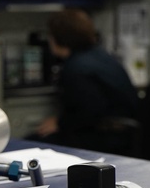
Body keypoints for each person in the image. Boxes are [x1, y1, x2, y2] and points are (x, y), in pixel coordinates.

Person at [32, 8, 140, 155]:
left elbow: (89, 111)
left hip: (103, 139)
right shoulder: (103, 56)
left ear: (57, 38)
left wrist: (60, 123)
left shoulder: (75, 68)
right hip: (126, 137)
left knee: (33, 144)